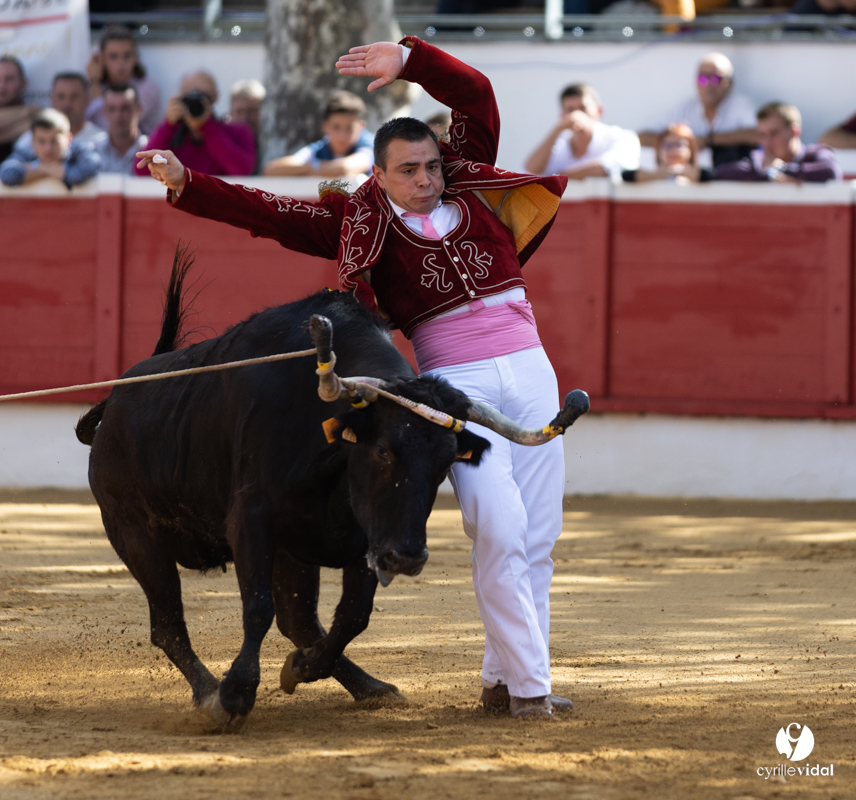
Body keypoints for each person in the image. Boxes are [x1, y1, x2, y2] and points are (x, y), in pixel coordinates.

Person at [139, 36, 573, 720]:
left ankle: (505, 677)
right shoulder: (358, 219)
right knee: (497, 526)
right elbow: (267, 213)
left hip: (531, 367)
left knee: (537, 535)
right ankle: (531, 691)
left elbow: (475, 95)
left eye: (432, 166)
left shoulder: (468, 179)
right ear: (379, 175)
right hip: (453, 380)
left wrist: (411, 61)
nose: (428, 180)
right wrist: (188, 185)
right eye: (410, 171)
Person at [640, 53, 758, 168]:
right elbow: (643, 137)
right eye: (703, 78)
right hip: (692, 181)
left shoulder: (742, 106)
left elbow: (760, 135)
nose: (708, 84)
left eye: (716, 78)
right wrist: (683, 144)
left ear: (730, 83)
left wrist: (707, 140)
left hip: (730, 181)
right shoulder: (684, 109)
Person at [137, 70, 255, 178]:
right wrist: (168, 125)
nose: (195, 102)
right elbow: (141, 171)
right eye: (189, 97)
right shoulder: (171, 134)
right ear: (180, 98)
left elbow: (242, 171)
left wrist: (207, 127)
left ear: (215, 97)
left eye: (203, 96)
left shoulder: (238, 131)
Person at [524, 83, 639, 180]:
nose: (576, 115)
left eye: (583, 108)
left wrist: (556, 179)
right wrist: (556, 130)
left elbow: (605, 168)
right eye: (570, 110)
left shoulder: (622, 137)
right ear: (562, 116)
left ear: (599, 111)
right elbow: (530, 171)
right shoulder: (559, 143)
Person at [714, 102, 841, 183]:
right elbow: (722, 173)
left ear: (794, 132)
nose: (766, 142)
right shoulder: (759, 160)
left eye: (774, 133)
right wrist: (769, 173)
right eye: (762, 135)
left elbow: (831, 172)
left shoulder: (815, 153)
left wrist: (780, 169)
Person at [264, 90, 375, 177]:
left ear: (361, 127)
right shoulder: (319, 148)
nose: (342, 135)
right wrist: (317, 168)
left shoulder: (372, 144)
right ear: (325, 126)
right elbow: (272, 170)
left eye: (349, 128)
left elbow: (345, 168)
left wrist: (306, 170)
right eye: (336, 127)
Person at [9, 72, 104, 163]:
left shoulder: (101, 141)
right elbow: (10, 171)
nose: (67, 103)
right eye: (61, 96)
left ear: (87, 100)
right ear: (51, 99)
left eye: (74, 96)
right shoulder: (27, 141)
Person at [85, 24, 162, 136]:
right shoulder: (87, 88)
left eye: (127, 56)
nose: (121, 64)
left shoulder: (148, 88)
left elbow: (113, 126)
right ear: (101, 59)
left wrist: (94, 83)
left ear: (136, 57)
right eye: (113, 56)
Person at [0, 109, 101, 188]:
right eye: (41, 141)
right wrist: (45, 168)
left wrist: (34, 169)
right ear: (32, 141)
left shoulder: (82, 150)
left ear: (69, 139)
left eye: (54, 141)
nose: (48, 148)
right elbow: (6, 175)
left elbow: (77, 176)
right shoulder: (27, 153)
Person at [622, 123, 713, 184]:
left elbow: (709, 176)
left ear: (691, 150)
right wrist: (663, 174)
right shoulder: (650, 177)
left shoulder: (701, 176)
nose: (673, 150)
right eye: (668, 146)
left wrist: (679, 171)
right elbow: (627, 176)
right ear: (658, 151)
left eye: (679, 145)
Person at [95, 84, 148, 174]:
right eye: (112, 109)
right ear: (104, 112)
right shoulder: (93, 149)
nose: (118, 115)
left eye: (125, 108)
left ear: (139, 110)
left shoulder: (150, 149)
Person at [227, 79, 265, 172]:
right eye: (239, 112)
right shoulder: (223, 139)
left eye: (251, 111)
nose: (245, 118)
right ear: (230, 113)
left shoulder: (272, 141)